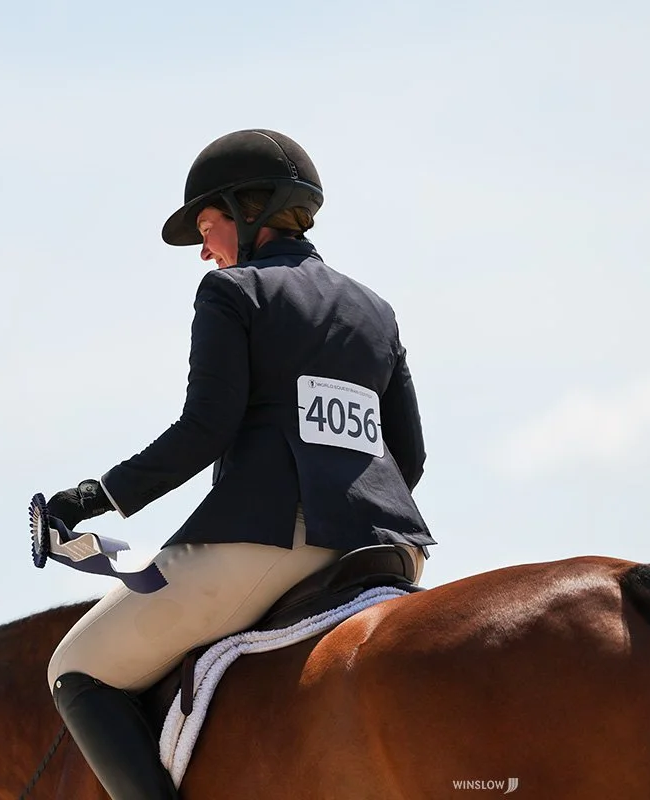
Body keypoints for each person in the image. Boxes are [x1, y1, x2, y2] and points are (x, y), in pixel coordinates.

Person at [42, 128, 434, 800]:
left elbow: (205, 430)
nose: (204, 250)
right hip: (394, 547)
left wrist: (95, 495)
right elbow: (411, 457)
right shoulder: (376, 311)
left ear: (247, 211)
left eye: (207, 225)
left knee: (76, 668)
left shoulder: (232, 294)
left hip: (274, 540)